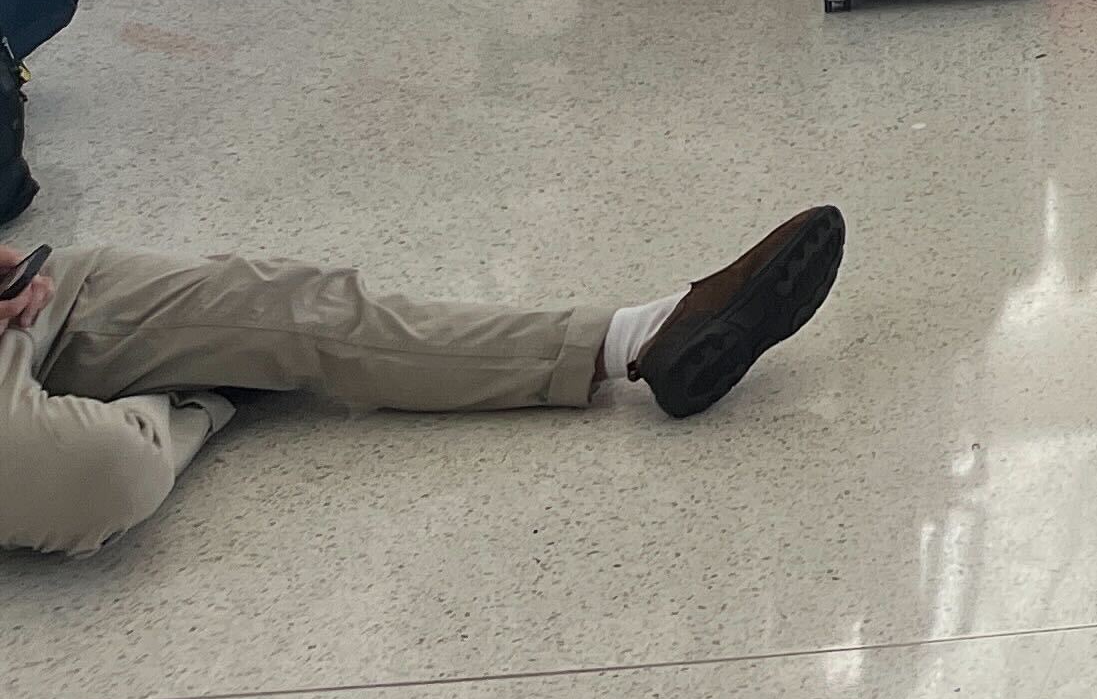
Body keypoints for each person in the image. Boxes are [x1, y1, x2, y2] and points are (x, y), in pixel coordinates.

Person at [1, 207, 848, 557]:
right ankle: (203, 395)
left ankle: (634, 337)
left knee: (302, 311)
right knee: (105, 475)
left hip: (38, 300)